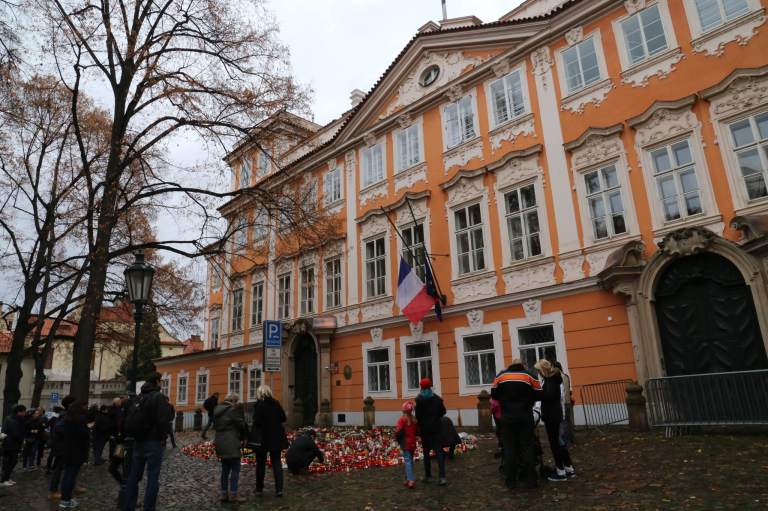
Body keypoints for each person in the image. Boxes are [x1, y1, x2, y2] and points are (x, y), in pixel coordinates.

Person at [122, 372, 174, 511]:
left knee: (134, 476)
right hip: (153, 441)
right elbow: (163, 421)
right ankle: (149, 507)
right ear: (157, 382)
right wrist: (163, 439)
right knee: (152, 476)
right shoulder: (159, 397)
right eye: (161, 381)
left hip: (138, 441)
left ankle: (129, 506)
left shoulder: (139, 397)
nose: (161, 384)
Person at [491, 358, 543, 490]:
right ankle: (531, 481)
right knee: (527, 448)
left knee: (509, 449)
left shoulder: (500, 376)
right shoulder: (530, 375)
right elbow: (539, 395)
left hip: (507, 418)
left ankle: (510, 482)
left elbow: (494, 395)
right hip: (525, 417)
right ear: (522, 365)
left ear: (511, 365)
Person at [535, 359, 575, 482]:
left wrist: (538, 394)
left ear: (543, 370)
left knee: (555, 444)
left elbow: (549, 397)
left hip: (552, 416)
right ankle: (568, 468)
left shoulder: (550, 381)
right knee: (560, 443)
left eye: (539, 371)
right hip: (555, 414)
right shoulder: (555, 379)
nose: (538, 373)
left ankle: (560, 471)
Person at [250, 385, 287, 497]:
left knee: (260, 464)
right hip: (276, 437)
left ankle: (259, 489)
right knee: (277, 463)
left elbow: (256, 421)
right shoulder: (276, 403)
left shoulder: (259, 405)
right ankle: (279, 489)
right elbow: (283, 418)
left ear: (259, 394)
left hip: (262, 438)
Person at [213, 394, 247, 503]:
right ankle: (233, 494)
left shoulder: (216, 410)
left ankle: (223, 494)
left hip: (220, 441)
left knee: (225, 469)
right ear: (233, 401)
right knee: (235, 469)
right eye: (236, 401)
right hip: (231, 441)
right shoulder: (232, 410)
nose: (237, 404)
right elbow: (241, 424)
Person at [414, 378, 447, 486]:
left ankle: (428, 476)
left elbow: (418, 416)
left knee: (427, 453)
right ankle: (442, 477)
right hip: (437, 428)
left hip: (425, 430)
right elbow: (443, 412)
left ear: (421, 387)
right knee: (439, 453)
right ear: (430, 386)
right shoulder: (437, 399)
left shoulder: (419, 400)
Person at [58, 399, 90, 509]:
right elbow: (83, 435)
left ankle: (65, 499)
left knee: (67, 475)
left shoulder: (67, 419)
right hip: (77, 451)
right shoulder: (80, 419)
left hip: (68, 450)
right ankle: (66, 500)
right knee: (71, 476)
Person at [1, 404, 27, 486]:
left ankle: (7, 478)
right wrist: (22, 440)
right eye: (24, 411)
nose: (25, 413)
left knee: (10, 462)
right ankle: (4, 480)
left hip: (10, 444)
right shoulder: (14, 420)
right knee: (10, 463)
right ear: (19, 412)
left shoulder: (10, 418)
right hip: (12, 445)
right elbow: (17, 434)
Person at [395, 401, 418, 489]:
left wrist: (397, 439)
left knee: (408, 461)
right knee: (410, 461)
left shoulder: (402, 420)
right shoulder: (414, 419)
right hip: (412, 443)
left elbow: (398, 431)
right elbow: (417, 431)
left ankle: (411, 479)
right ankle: (408, 478)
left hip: (405, 443)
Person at [107, 397, 125, 484]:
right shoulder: (117, 411)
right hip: (119, 438)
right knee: (117, 452)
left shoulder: (114, 410)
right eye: (119, 402)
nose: (120, 403)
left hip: (119, 438)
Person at [46, 406, 64, 475]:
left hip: (53, 437)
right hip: (57, 438)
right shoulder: (60, 419)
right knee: (56, 454)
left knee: (52, 454)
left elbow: (47, 425)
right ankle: (54, 467)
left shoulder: (52, 418)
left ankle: (49, 467)